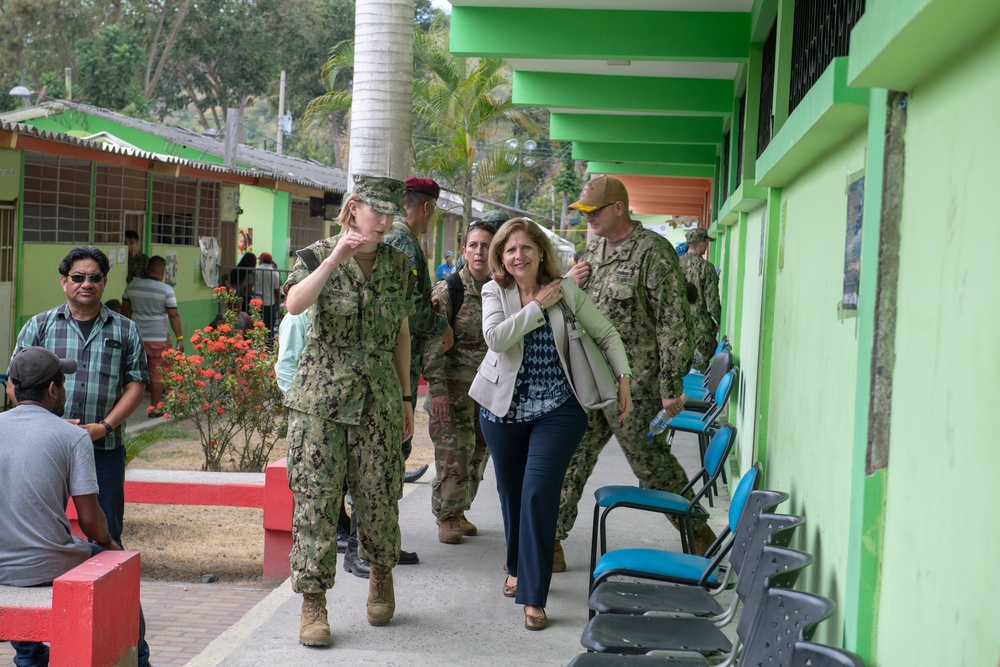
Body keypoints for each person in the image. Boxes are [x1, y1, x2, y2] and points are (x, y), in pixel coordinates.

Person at [469, 218, 631, 631]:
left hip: (560, 408)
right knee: (511, 493)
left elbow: (608, 334)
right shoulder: (495, 290)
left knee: (538, 492)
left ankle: (533, 595)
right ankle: (515, 563)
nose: (518, 256)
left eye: (526, 248)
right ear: (500, 257)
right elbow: (496, 338)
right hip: (503, 410)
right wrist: (536, 307)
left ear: (541, 251)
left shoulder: (568, 290)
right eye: (509, 250)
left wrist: (625, 380)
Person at [281, 174, 415, 645]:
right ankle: (313, 604)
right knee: (316, 500)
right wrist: (337, 256)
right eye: (376, 211)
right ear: (354, 207)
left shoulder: (399, 265)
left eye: (390, 213)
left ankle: (381, 573)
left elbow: (401, 333)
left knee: (379, 495)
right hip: (320, 399)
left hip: (378, 397)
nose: (384, 222)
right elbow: (295, 304)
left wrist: (404, 398)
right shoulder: (317, 255)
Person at [556, 175, 715, 562]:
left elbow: (674, 321)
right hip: (591, 381)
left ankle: (699, 532)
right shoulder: (593, 252)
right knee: (569, 459)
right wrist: (569, 284)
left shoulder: (653, 251)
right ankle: (549, 541)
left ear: (619, 208)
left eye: (594, 212)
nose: (589, 218)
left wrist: (670, 384)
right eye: (584, 212)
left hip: (636, 387)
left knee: (652, 465)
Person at [0, 347, 153, 667]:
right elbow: (90, 521)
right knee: (117, 568)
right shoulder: (72, 437)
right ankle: (140, 660)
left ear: (13, 387)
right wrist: (112, 546)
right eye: (63, 383)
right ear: (53, 389)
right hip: (48, 564)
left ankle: (29, 657)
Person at [6, 246, 149, 547]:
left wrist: (104, 427)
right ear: (64, 281)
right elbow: (14, 383)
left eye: (94, 277)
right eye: (78, 277)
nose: (87, 283)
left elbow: (136, 384)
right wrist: (48, 426)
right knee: (39, 526)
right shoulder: (40, 325)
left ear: (105, 281)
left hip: (104, 447)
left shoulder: (125, 330)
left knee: (106, 531)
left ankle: (110, 588)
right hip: (45, 448)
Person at [276, 306, 419, 578]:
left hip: (365, 411)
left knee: (371, 489)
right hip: (320, 416)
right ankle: (329, 571)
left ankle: (362, 553)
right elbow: (286, 368)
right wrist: (306, 414)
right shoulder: (301, 314)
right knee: (321, 497)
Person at [423, 218, 497, 544]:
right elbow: (431, 345)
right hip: (452, 392)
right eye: (474, 245)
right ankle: (446, 516)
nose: (479, 251)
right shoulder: (449, 290)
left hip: (489, 392)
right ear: (464, 250)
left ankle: (460, 509)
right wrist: (437, 391)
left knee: (479, 453)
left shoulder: (501, 289)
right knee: (454, 455)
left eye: (486, 245)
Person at [383, 175, 448, 484]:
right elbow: (409, 308)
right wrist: (441, 324)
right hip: (399, 357)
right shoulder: (403, 241)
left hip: (400, 354)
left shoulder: (397, 237)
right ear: (426, 206)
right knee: (393, 441)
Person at [122, 255, 184, 417]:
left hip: (136, 338)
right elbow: (174, 316)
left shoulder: (132, 287)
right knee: (158, 373)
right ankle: (155, 408)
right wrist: (179, 339)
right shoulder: (166, 290)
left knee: (133, 373)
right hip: (158, 340)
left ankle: (124, 410)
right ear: (162, 271)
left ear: (147, 268)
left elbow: (125, 312)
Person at [679, 228, 722, 371]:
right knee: (702, 364)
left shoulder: (675, 264)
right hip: (699, 327)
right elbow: (712, 299)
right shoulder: (706, 268)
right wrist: (719, 320)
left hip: (678, 324)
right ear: (702, 244)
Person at [255, 252, 282, 337]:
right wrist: (277, 307)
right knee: (269, 329)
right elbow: (276, 291)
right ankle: (269, 347)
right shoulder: (275, 273)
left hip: (256, 303)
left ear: (262, 260)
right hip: (270, 303)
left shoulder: (256, 270)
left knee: (256, 327)